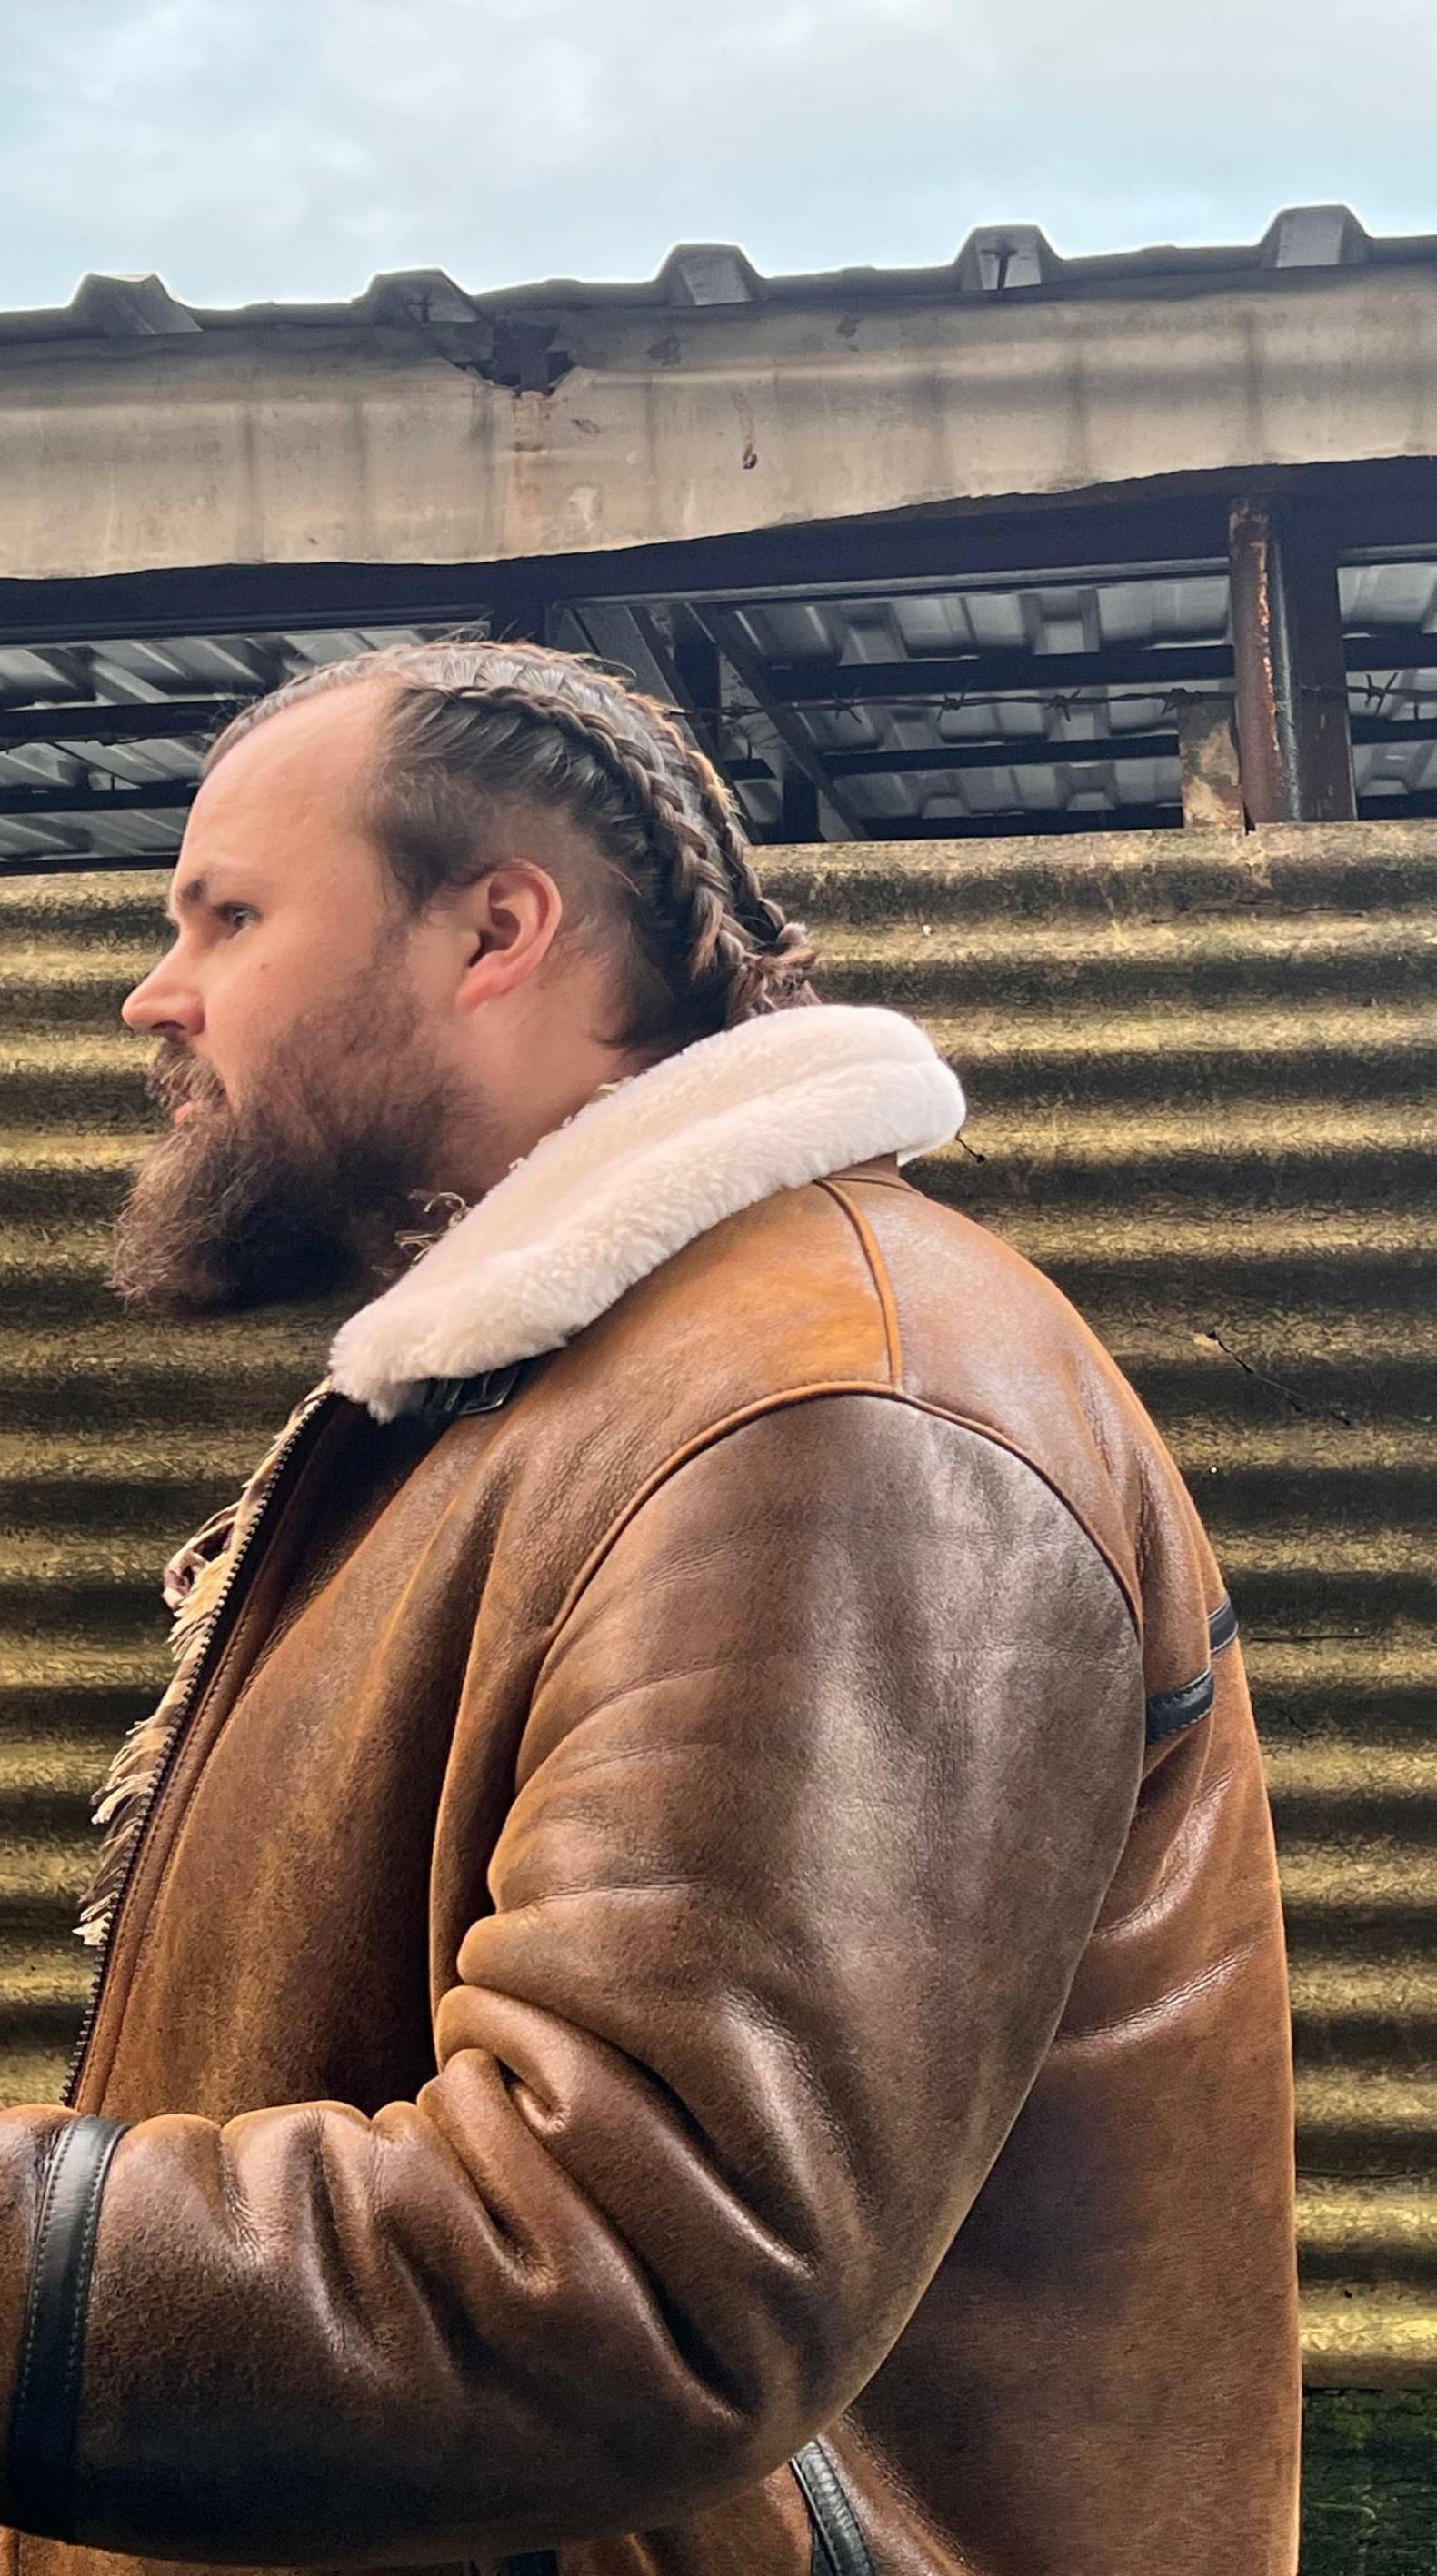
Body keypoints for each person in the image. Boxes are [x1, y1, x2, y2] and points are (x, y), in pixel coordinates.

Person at [8, 641, 1299, 2575]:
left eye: (230, 916)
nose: (154, 991)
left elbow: (619, 2280)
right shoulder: (582, 1381)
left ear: (497, 930)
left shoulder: (839, 1414)